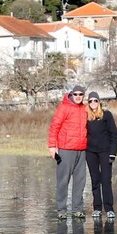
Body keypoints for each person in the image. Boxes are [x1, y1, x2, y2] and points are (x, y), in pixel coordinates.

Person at [47, 83, 89, 218]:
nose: (78, 96)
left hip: (81, 150)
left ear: (83, 96)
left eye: (80, 94)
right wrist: (52, 146)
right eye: (75, 94)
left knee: (80, 181)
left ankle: (77, 209)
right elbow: (54, 127)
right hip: (65, 149)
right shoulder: (64, 107)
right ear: (71, 94)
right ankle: (61, 210)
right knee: (63, 181)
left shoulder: (85, 109)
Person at [84, 91, 117, 220]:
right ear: (88, 103)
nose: (93, 103)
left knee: (106, 179)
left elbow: (114, 135)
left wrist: (113, 153)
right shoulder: (85, 116)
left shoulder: (107, 115)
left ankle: (109, 208)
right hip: (90, 152)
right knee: (95, 180)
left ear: (99, 102)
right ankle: (97, 208)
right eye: (90, 101)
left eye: (95, 100)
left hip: (105, 151)